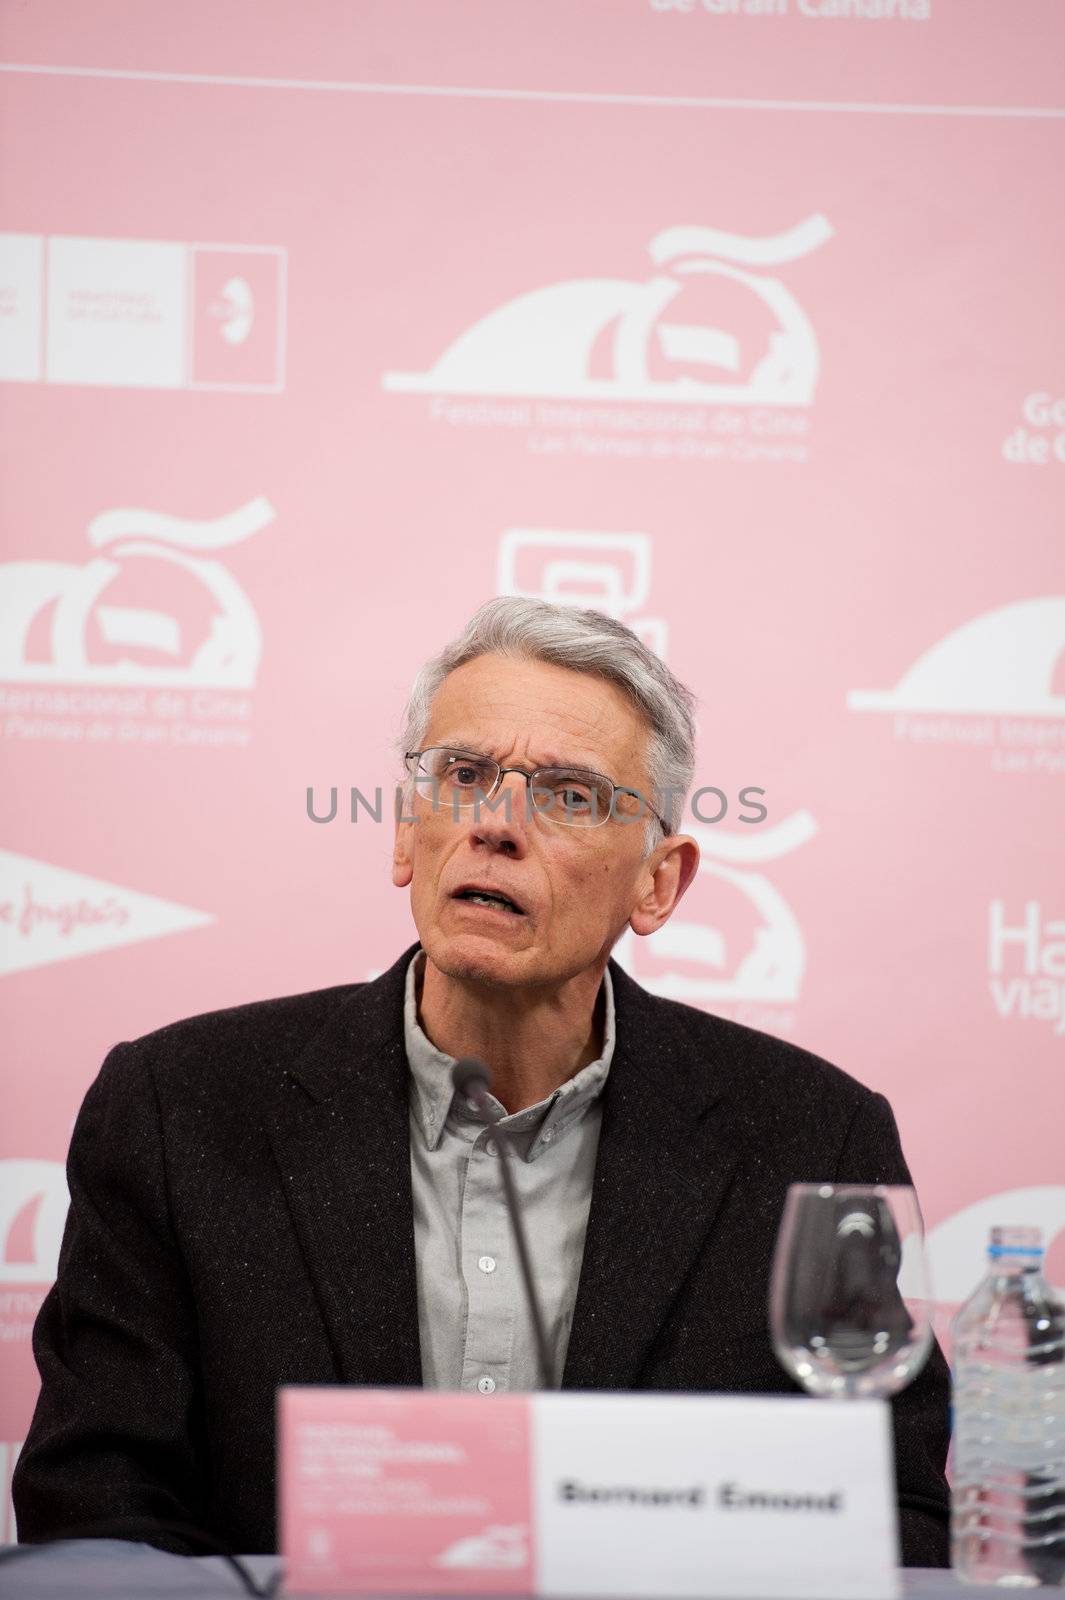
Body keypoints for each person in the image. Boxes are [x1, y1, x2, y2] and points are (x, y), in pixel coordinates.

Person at [13, 598, 951, 1562]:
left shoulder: (814, 1137)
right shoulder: (179, 1107)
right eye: (462, 775)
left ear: (658, 884)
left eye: (569, 795)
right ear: (403, 834)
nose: (496, 825)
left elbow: (896, 1520)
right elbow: (94, 1509)